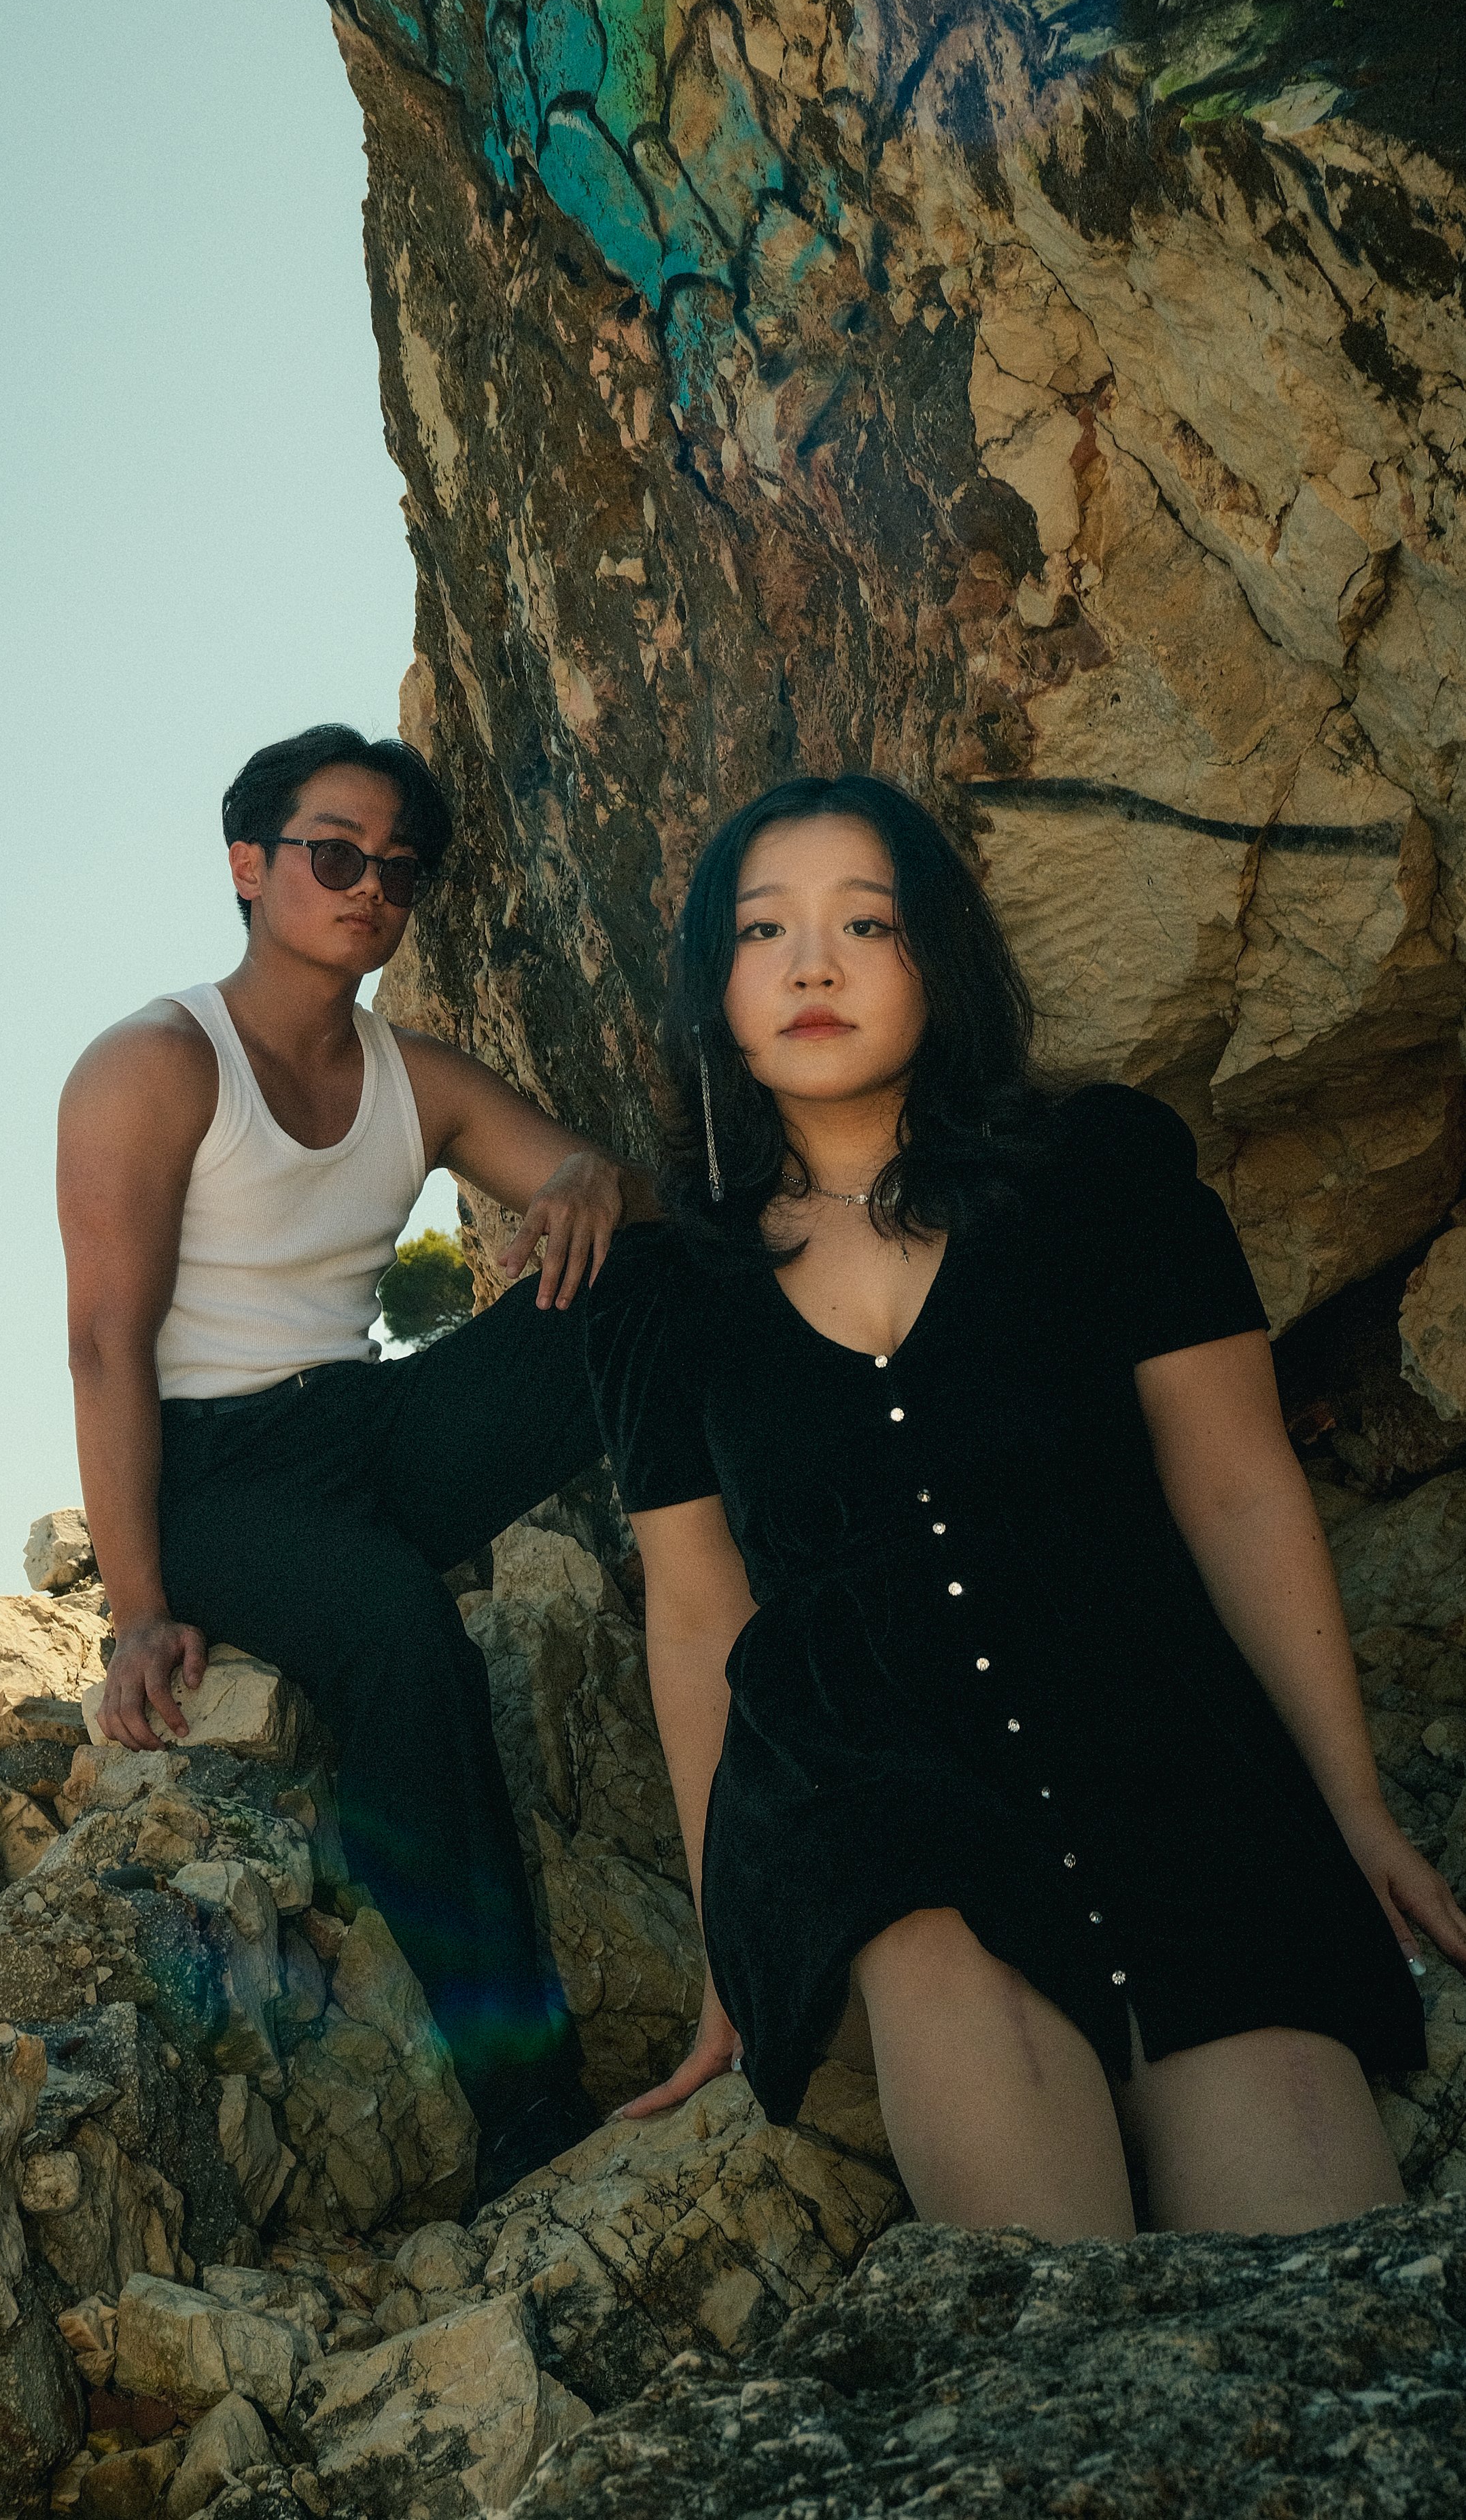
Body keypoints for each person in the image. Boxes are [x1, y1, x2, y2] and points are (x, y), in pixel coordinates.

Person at [584, 772, 1466, 2241]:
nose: (812, 964)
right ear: (714, 989)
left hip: (1161, 1752)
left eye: (865, 921)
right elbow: (696, 1621)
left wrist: (1348, 1806)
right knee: (1043, 2283)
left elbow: (1238, 1492)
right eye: (763, 931)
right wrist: (728, 1953)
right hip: (871, 1810)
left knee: (1302, 2259)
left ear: (940, 956)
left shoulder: (1102, 1176)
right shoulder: (660, 1296)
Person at [58, 721, 648, 2198]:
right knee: (406, 1644)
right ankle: (522, 2096)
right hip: (212, 1476)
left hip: (364, 1426)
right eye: (333, 853)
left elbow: (575, 1173)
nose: (367, 887)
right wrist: (135, 1607)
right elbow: (104, 1345)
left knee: (652, 1280)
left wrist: (582, 1189)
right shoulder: (153, 1062)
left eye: (398, 868)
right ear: (249, 866)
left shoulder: (416, 1073)